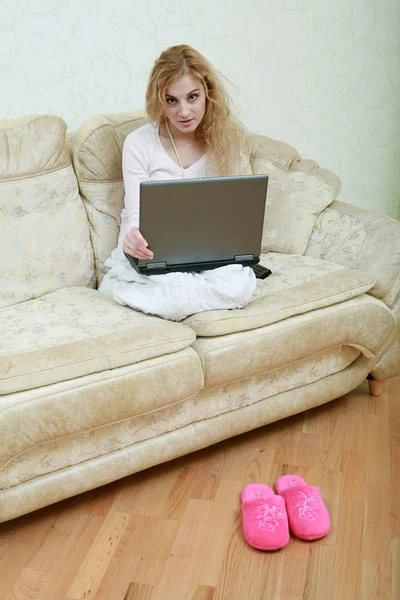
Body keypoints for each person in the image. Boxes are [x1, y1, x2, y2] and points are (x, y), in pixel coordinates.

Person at [100, 44, 256, 321]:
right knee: (175, 295)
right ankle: (120, 285)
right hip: (152, 254)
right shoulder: (139, 143)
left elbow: (233, 213)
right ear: (160, 100)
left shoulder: (226, 141)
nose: (183, 111)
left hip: (208, 254)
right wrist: (134, 238)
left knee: (240, 286)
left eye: (192, 97)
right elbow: (136, 214)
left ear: (208, 93)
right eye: (172, 100)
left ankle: (181, 297)